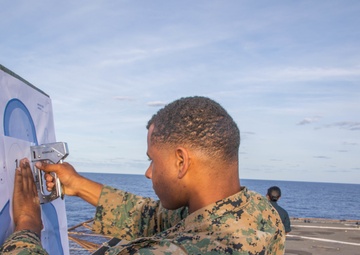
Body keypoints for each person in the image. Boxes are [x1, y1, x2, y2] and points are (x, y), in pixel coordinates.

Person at [0, 96, 286, 254]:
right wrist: (77, 185)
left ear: (180, 161)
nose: (148, 173)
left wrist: (27, 223)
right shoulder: (257, 212)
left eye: (152, 160)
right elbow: (150, 218)